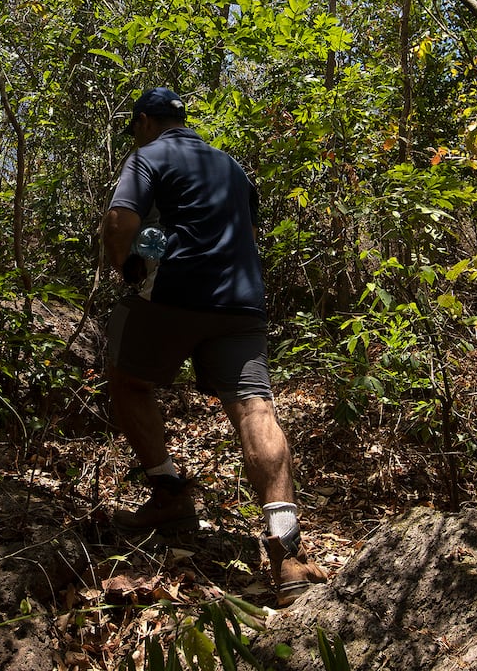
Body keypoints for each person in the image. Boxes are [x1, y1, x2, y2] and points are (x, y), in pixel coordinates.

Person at [100, 87, 327, 606]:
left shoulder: (148, 156)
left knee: (127, 380)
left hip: (173, 295)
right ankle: (288, 555)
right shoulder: (232, 165)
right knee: (254, 407)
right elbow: (245, 231)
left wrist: (130, 269)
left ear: (143, 122)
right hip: (242, 302)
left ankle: (169, 493)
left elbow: (119, 224)